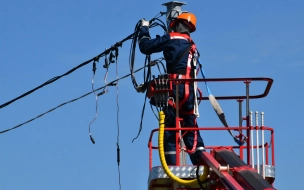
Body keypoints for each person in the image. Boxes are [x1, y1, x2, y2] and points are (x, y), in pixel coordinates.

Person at [138, 13, 205, 165]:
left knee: (170, 130)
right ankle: (201, 162)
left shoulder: (171, 38)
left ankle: (172, 167)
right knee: (191, 128)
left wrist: (144, 29)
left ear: (175, 25)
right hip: (190, 93)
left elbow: (145, 47)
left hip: (175, 90)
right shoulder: (192, 45)